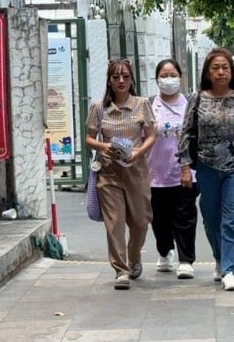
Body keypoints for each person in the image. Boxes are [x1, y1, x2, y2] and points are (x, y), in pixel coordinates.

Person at [178, 48, 234, 291]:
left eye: (225, 68)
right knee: (211, 218)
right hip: (206, 167)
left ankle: (229, 270)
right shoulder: (197, 98)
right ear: (207, 73)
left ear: (231, 72)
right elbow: (186, 133)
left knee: (233, 219)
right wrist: (185, 167)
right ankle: (220, 257)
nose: (220, 72)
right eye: (215, 68)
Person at [85, 59, 156, 290]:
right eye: (115, 77)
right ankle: (121, 270)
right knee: (114, 223)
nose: (121, 81)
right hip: (109, 172)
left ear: (132, 79)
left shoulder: (142, 104)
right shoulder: (99, 108)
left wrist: (138, 152)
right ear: (109, 81)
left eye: (125, 76)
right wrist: (103, 146)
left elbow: (151, 135)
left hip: (136, 171)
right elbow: (89, 138)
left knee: (140, 222)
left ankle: (134, 258)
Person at [146, 59, 199, 280]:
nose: (169, 79)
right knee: (159, 218)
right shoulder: (149, 104)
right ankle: (164, 251)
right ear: (157, 79)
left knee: (184, 216)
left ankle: (186, 260)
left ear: (180, 77)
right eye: (164, 75)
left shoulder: (190, 103)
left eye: (173, 75)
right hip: (155, 173)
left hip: (185, 172)